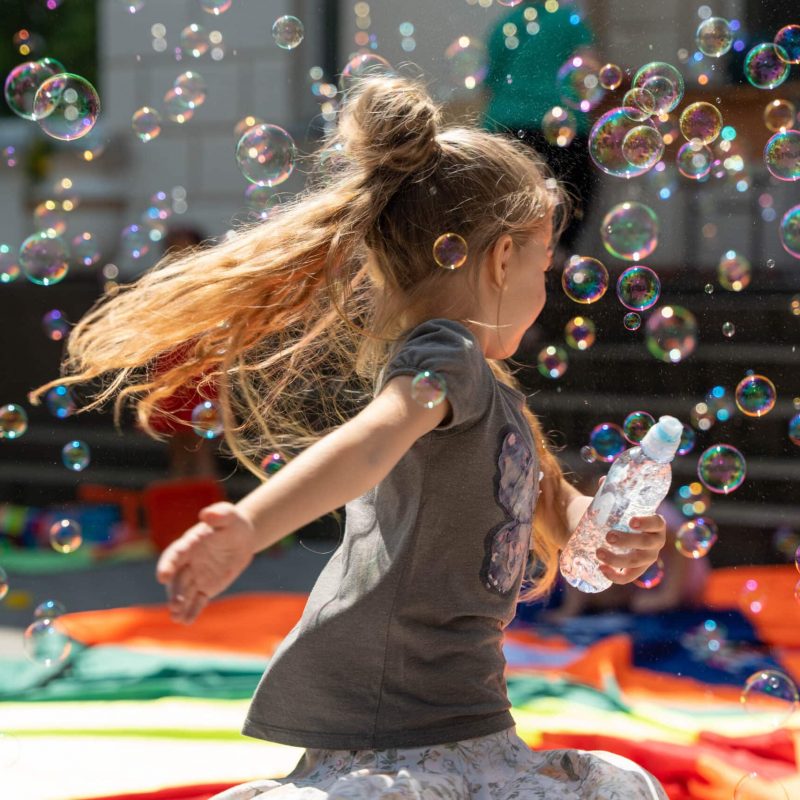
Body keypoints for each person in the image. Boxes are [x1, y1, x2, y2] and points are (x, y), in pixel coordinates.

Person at [29, 76, 669, 800]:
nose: (544, 286)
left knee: (622, 789)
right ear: (498, 260)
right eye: (542, 266)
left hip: (466, 719)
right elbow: (371, 442)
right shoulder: (445, 358)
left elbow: (555, 506)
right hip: (388, 725)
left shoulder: (496, 396)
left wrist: (605, 529)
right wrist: (245, 524)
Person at [482, 0, 598, 260]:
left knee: (511, 203)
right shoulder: (569, 19)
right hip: (564, 124)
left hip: (508, 125)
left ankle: (511, 258)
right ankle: (554, 256)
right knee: (568, 199)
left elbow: (489, 84)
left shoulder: (506, 24)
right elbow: (588, 71)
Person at [146, 225, 219, 480]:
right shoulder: (163, 286)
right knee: (175, 444)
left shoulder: (210, 285)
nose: (178, 255)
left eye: (183, 249)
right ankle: (180, 508)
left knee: (199, 444)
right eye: (172, 251)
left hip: (199, 367)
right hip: (171, 366)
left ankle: (204, 504)